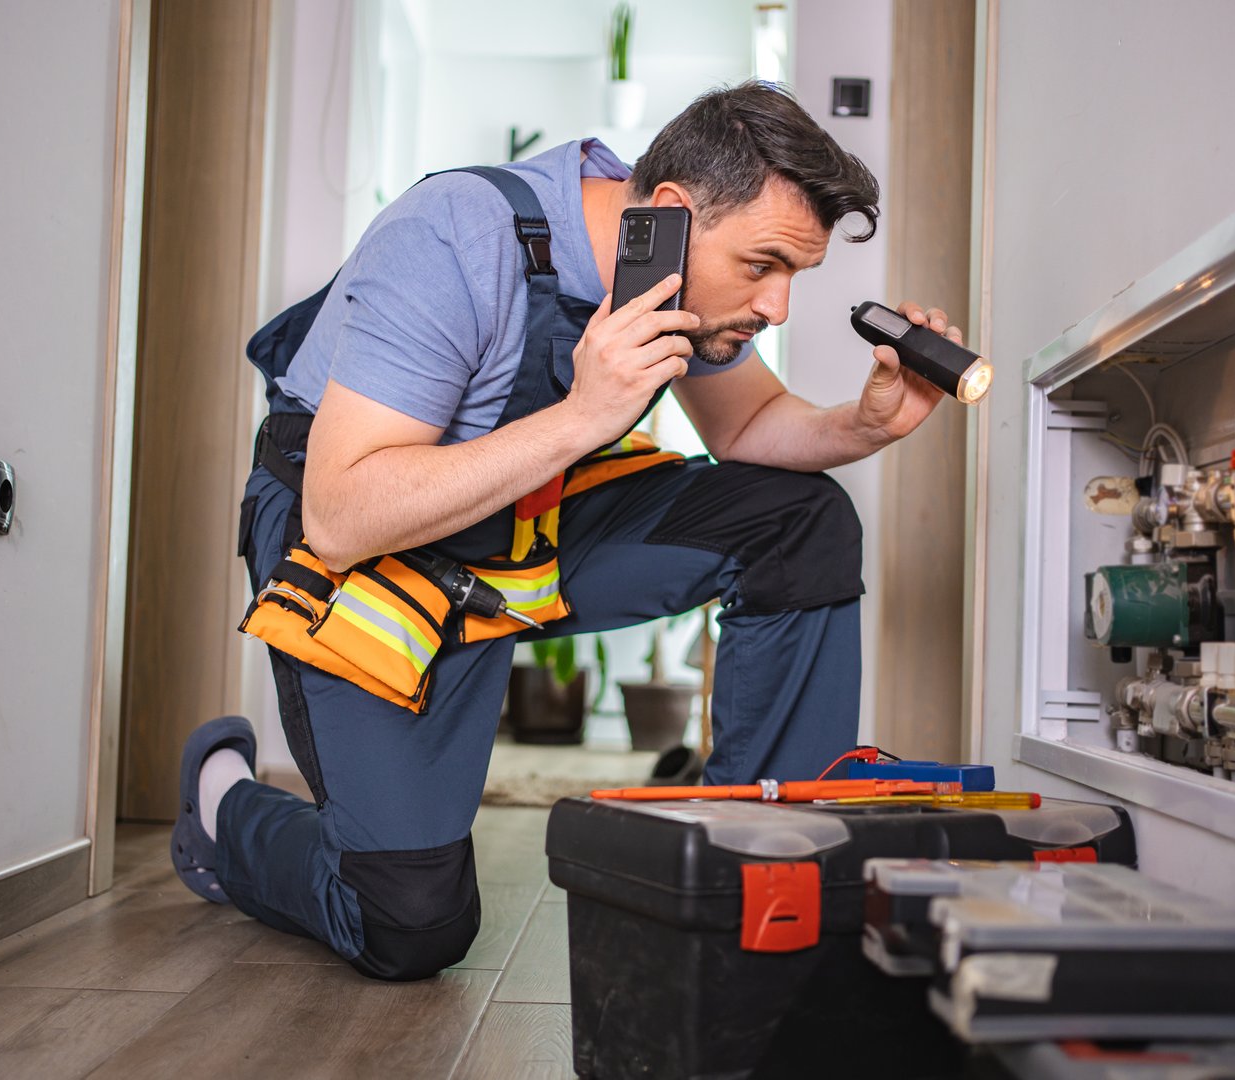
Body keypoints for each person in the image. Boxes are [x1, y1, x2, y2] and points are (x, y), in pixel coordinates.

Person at [170, 81, 963, 981]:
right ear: (672, 212)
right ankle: (225, 807)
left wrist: (864, 427)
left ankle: (760, 869)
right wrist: (586, 414)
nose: (776, 307)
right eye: (761, 265)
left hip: (523, 518)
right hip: (367, 536)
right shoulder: (455, 235)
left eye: (794, 276)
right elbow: (344, 514)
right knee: (407, 925)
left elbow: (746, 430)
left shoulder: (657, 266)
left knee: (800, 522)